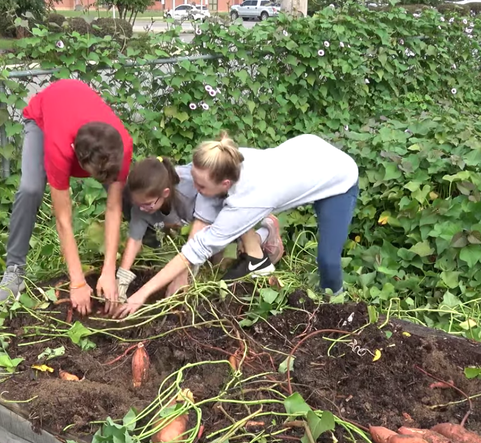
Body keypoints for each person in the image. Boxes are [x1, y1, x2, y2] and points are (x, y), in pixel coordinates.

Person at [115, 132, 359, 319]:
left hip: (336, 178)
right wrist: (183, 277)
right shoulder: (224, 159)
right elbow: (201, 225)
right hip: (308, 152)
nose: (196, 192)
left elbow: (196, 249)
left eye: (200, 187)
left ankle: (338, 309)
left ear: (225, 183)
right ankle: (259, 256)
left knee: (328, 259)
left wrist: (142, 294)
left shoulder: (248, 201)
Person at [0, 79, 133, 316]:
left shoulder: (121, 146)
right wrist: (77, 281)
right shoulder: (59, 149)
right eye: (99, 176)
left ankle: (143, 239)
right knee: (30, 188)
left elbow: (113, 208)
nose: (103, 181)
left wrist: (109, 271)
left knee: (128, 189)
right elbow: (63, 220)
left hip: (80, 113)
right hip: (43, 118)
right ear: (78, 163)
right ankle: (15, 269)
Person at [116, 156, 283, 302]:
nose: (142, 209)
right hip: (198, 222)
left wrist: (182, 275)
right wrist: (121, 280)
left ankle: (265, 233)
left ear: (165, 193)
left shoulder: (190, 189)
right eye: (138, 204)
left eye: (147, 204)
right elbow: (135, 238)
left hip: (228, 208)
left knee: (227, 257)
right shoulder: (143, 198)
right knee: (217, 263)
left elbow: (202, 225)